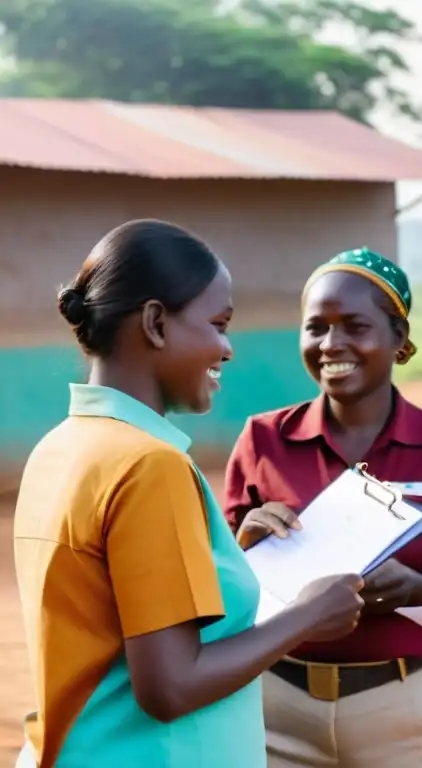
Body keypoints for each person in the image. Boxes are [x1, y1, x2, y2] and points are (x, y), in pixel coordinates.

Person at [12, 220, 364, 768]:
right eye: (218, 324)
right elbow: (169, 687)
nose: (226, 349)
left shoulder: (59, 449)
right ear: (155, 323)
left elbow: (104, 617)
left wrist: (224, 559)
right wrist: (306, 617)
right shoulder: (150, 465)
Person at [223, 248, 422, 768]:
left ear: (399, 338)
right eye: (316, 328)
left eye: (355, 326)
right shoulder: (263, 441)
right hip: (277, 708)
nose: (332, 345)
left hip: (409, 710)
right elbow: (218, 593)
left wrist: (418, 590)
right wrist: (245, 548)